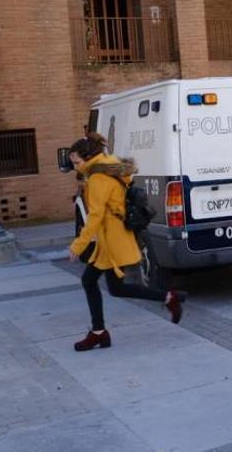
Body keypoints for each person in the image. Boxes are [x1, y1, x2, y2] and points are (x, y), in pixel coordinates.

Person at [68, 133, 184, 352]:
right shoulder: (107, 169)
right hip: (113, 237)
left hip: (112, 240)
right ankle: (101, 332)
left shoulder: (97, 178)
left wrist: (78, 245)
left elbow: (95, 216)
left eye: (76, 163)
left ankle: (99, 332)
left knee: (92, 281)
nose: (75, 167)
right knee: (113, 287)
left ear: (88, 157)